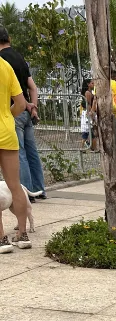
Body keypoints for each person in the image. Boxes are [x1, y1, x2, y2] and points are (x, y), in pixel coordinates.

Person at [0, 27, 44, 201]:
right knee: (32, 152)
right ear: (8, 38)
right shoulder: (20, 58)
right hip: (26, 111)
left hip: (12, 111)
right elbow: (33, 87)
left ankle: (25, 194)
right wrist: (33, 108)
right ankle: (40, 189)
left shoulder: (2, 60)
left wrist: (9, 114)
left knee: (19, 154)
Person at [0, 51, 29, 251]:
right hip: (7, 132)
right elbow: (21, 104)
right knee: (15, 186)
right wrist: (7, 117)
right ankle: (22, 234)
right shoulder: (6, 66)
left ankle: (2, 239)